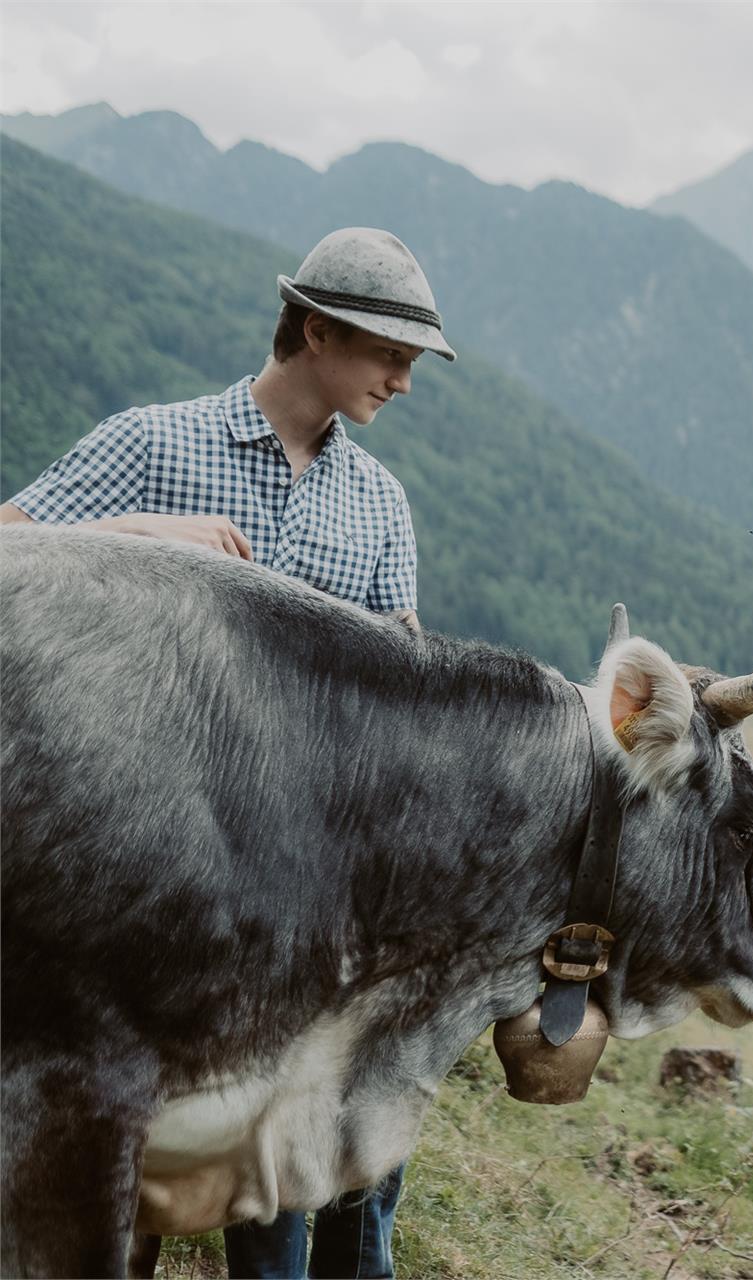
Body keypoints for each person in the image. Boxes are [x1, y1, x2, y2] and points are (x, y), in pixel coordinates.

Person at [1, 226, 456, 1279]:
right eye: (388, 349)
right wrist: (148, 533)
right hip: (153, 876)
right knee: (124, 1154)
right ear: (315, 327)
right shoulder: (154, 443)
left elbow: (402, 714)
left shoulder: (379, 506)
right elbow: (10, 552)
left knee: (296, 1175)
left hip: (309, 893)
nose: (404, 377)